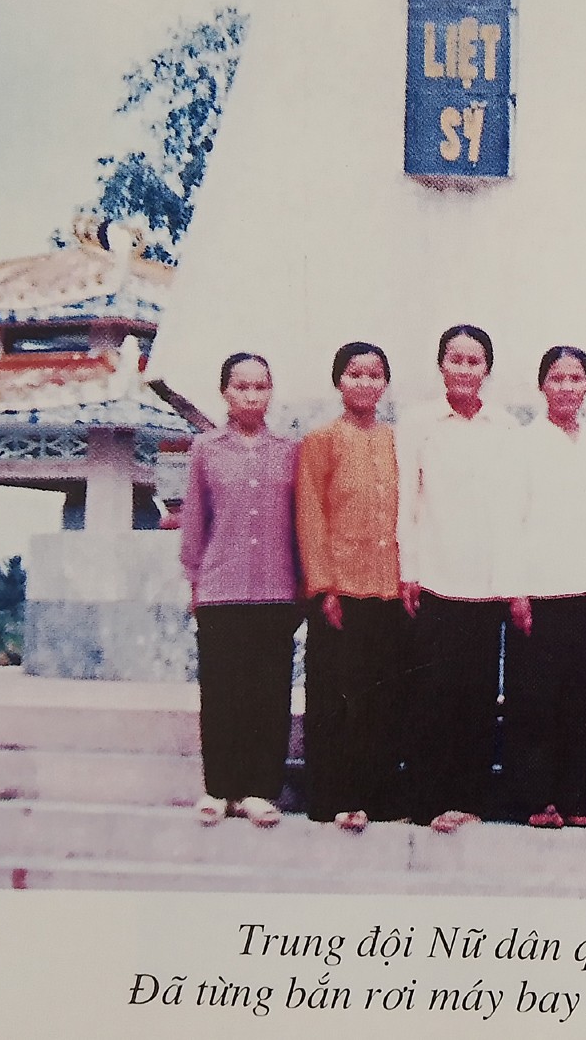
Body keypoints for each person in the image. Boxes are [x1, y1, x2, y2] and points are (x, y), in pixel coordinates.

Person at [398, 324, 520, 833]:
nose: (465, 370)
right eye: (456, 360)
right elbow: (408, 499)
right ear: (441, 365)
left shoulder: (505, 428)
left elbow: (511, 512)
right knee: (432, 693)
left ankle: (468, 798)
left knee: (477, 695)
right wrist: (409, 571)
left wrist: (512, 584)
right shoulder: (418, 423)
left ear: (487, 369)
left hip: (486, 583)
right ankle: (428, 799)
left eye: (474, 361)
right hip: (434, 578)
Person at [179, 352, 301, 828]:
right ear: (225, 392)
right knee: (221, 692)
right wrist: (194, 579)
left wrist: (304, 585)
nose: (252, 395)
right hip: (220, 589)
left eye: (260, 386)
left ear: (271, 392)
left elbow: (299, 523)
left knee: (269, 694)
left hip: (276, 590)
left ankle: (259, 790)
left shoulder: (289, 451)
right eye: (242, 386)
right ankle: (218, 788)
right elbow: (195, 521)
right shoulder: (206, 450)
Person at [504, 347, 586, 829]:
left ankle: (575, 798)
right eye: (557, 378)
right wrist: (516, 590)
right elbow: (510, 521)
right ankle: (536, 798)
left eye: (576, 379)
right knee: (534, 700)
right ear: (542, 386)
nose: (567, 387)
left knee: (580, 699)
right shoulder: (522, 445)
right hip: (538, 593)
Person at [296, 341, 406, 832]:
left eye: (374, 375)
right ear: (339, 381)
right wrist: (324, 587)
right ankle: (331, 797)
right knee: (333, 697)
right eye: (355, 374)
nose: (365, 383)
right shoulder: (321, 440)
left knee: (380, 697)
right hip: (340, 589)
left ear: (385, 384)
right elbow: (310, 515)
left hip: (389, 589)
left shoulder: (395, 441)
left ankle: (375, 796)